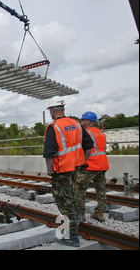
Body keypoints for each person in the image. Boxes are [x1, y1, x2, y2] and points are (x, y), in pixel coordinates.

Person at [43, 96, 94, 247]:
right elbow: (89, 145)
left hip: (62, 170)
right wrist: (82, 161)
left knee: (65, 202)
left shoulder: (54, 127)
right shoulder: (77, 124)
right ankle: (77, 217)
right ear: (62, 109)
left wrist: (50, 170)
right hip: (76, 168)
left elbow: (49, 153)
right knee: (72, 195)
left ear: (52, 111)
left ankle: (71, 236)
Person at [75, 112, 110, 222]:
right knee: (101, 189)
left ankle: (80, 213)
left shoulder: (87, 133)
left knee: (79, 188)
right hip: (103, 164)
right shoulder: (101, 133)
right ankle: (100, 212)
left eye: (83, 119)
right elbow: (102, 148)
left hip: (91, 164)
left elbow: (84, 150)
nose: (81, 121)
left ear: (88, 122)